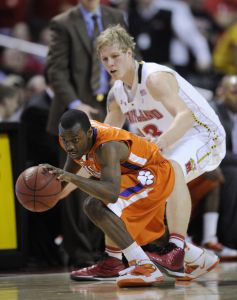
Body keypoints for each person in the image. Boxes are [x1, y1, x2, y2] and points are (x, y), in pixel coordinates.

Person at [68, 24, 225, 281]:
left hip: (204, 136)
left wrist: (157, 147)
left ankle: (175, 250)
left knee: (169, 167)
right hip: (168, 145)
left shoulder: (154, 77)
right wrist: (65, 182)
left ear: (130, 53)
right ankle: (117, 260)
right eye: (104, 59)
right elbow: (101, 147)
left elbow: (185, 117)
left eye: (115, 56)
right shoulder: (117, 94)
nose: (110, 63)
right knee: (118, 180)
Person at [43, 109, 196, 287]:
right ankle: (198, 258)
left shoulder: (107, 146)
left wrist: (70, 178)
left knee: (96, 205)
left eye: (75, 141)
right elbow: (71, 167)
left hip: (155, 172)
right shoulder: (71, 136)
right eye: (65, 141)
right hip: (131, 175)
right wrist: (49, 191)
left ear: (88, 133)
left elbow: (111, 193)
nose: (69, 146)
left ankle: (144, 266)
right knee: (149, 237)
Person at [46, 0, 127, 267]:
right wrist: (75, 104)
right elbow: (56, 70)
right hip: (75, 117)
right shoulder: (62, 23)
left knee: (108, 182)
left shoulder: (116, 15)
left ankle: (106, 252)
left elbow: (126, 59)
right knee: (73, 183)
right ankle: (80, 254)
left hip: (110, 108)